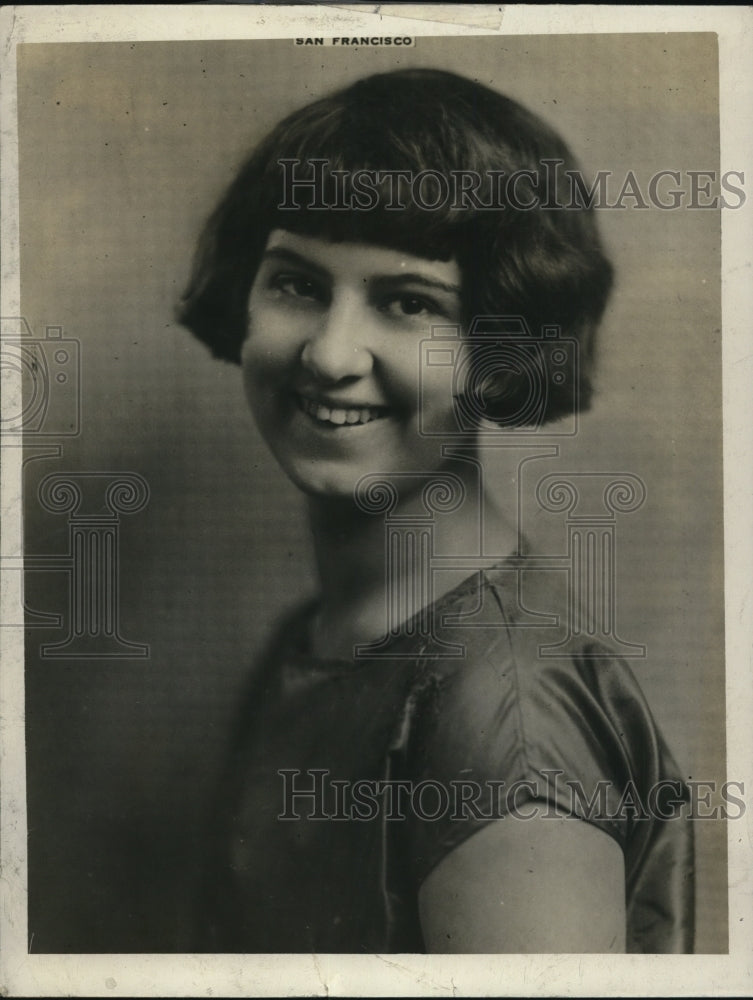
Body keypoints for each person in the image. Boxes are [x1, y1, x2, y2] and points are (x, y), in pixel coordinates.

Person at [178, 68, 694, 954]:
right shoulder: (321, 633)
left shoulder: (507, 729)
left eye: (410, 303)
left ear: (501, 348)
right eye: (296, 284)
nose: (331, 354)